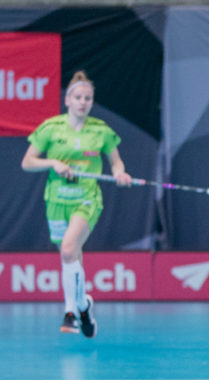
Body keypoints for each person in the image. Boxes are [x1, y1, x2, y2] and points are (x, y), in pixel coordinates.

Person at [20, 71, 131, 338]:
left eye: (88, 98)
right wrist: (53, 163)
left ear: (92, 102)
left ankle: (70, 311)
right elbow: (27, 162)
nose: (83, 102)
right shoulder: (51, 128)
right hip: (57, 200)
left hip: (86, 199)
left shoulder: (101, 131)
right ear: (68, 100)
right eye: (78, 97)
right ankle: (84, 305)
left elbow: (115, 161)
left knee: (69, 248)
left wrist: (119, 173)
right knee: (70, 256)